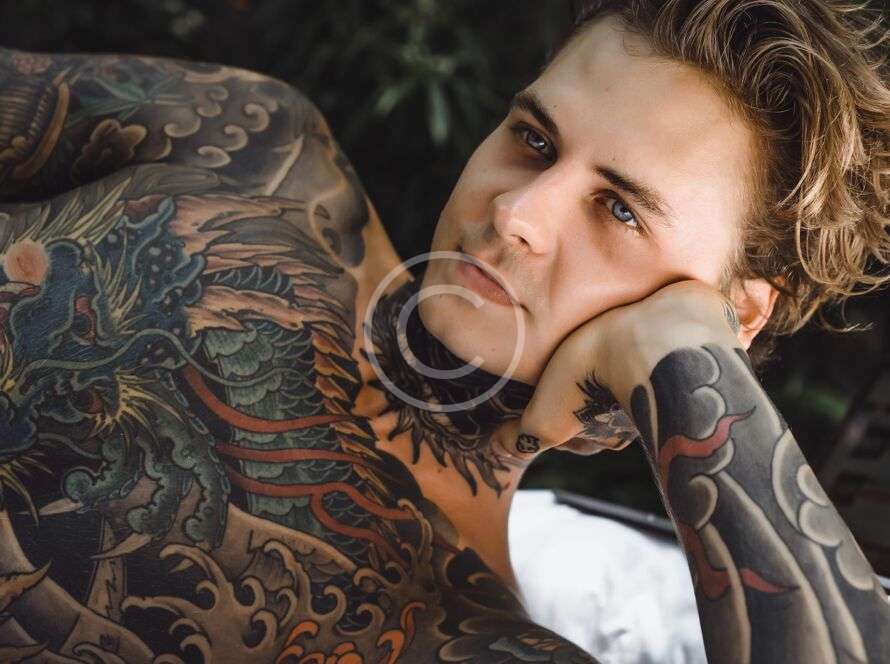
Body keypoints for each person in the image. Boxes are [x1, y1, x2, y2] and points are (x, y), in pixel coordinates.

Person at [0, 0, 888, 661]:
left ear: (732, 316)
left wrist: (685, 362)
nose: (515, 213)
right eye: (534, 141)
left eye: (618, 210)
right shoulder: (253, 150)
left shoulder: (457, 634)